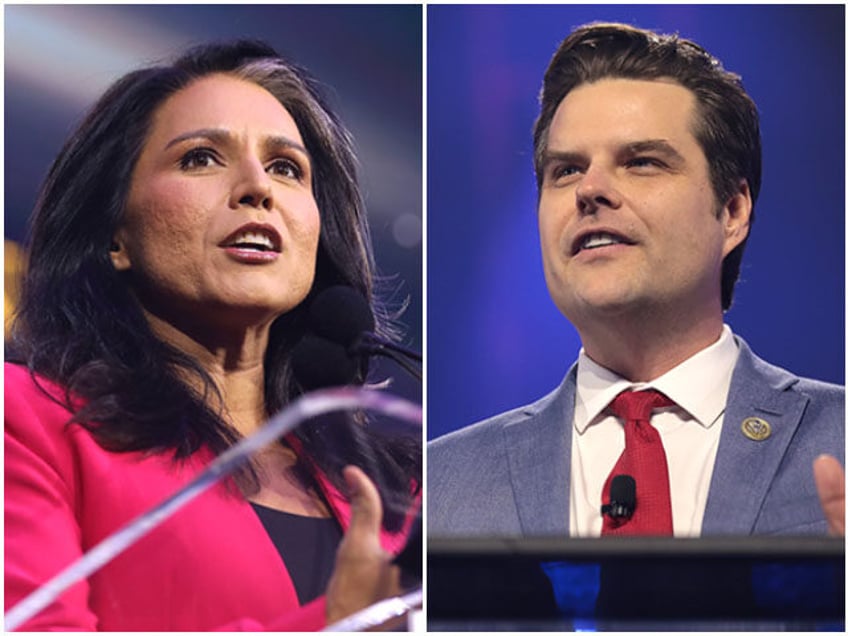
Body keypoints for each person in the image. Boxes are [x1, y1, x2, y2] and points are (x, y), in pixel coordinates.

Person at [5, 40, 421, 631]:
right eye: (200, 158)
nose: (259, 188)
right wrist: (337, 621)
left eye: (286, 168)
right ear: (113, 235)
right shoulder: (27, 420)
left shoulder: (401, 486)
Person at [429, 22, 844, 538]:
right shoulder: (440, 487)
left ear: (733, 211)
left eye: (641, 162)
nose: (591, 190)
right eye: (566, 171)